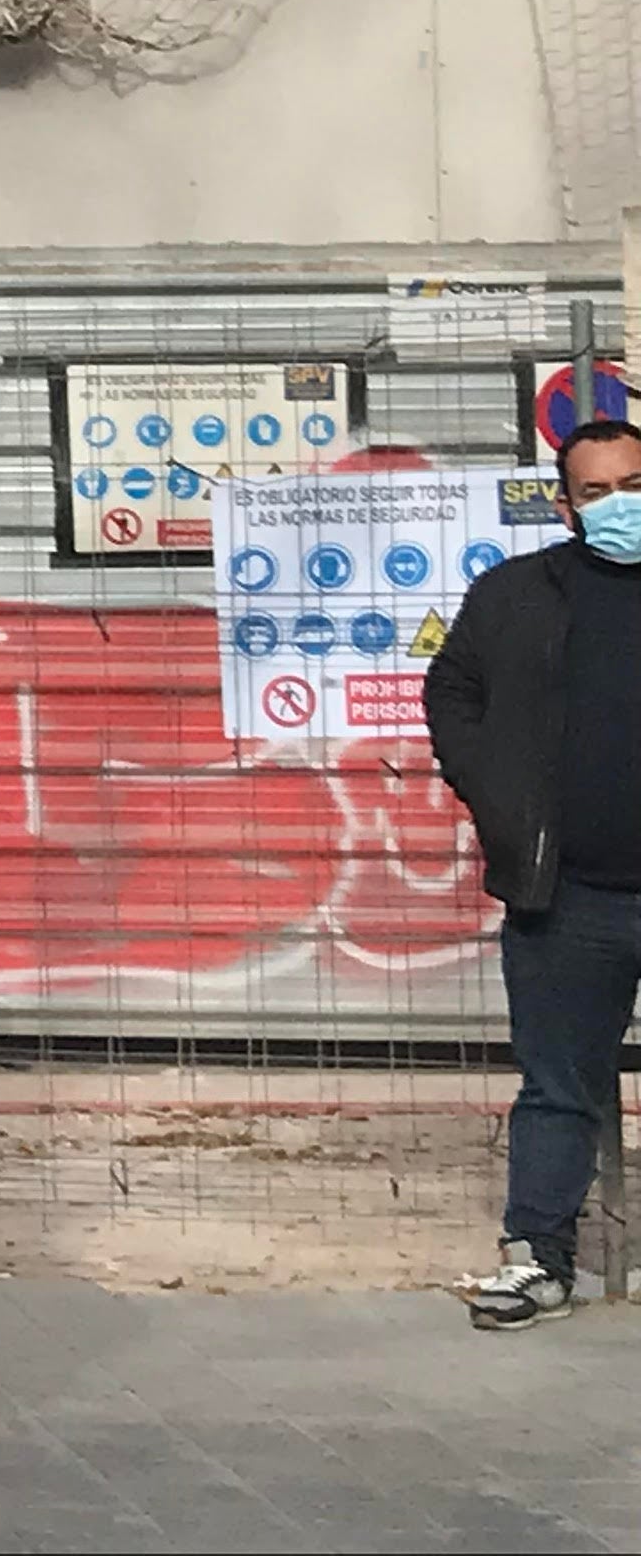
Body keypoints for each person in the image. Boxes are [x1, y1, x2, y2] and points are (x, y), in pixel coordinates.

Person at [425, 410, 641, 1330]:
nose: (619, 505)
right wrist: (497, 799)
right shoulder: (516, 594)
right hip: (570, 897)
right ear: (565, 506)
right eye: (597, 493)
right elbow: (452, 692)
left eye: (634, 486)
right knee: (558, 1086)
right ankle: (538, 1260)